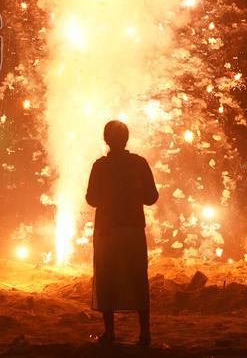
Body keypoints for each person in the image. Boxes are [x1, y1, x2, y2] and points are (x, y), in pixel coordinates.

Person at [86, 120, 159, 347]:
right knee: (137, 277)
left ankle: (110, 333)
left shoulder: (100, 166)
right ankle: (144, 334)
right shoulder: (139, 163)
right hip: (133, 229)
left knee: (106, 278)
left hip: (107, 231)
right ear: (127, 139)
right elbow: (151, 197)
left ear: (106, 140)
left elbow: (91, 199)